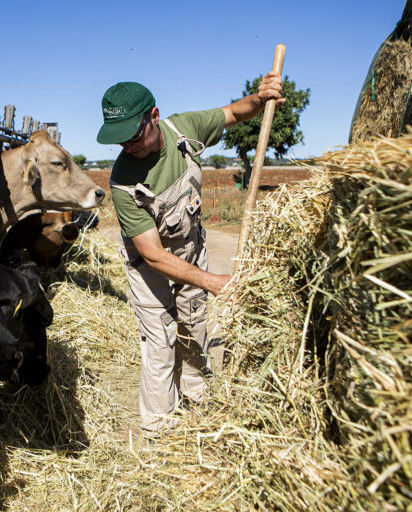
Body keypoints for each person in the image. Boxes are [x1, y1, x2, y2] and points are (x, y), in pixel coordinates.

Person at [96, 73, 285, 435]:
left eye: (132, 136)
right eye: (118, 141)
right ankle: (159, 428)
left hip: (190, 249)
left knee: (194, 325)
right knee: (161, 343)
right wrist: (212, 281)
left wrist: (260, 99)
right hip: (150, 266)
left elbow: (233, 113)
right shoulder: (123, 181)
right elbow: (152, 255)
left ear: (153, 117)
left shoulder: (181, 129)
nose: (126, 147)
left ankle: (197, 401)